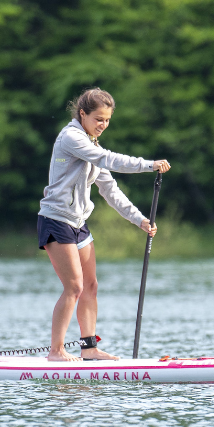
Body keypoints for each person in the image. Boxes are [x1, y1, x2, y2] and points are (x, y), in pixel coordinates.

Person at [37, 87, 171, 362]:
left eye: (107, 120)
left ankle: (89, 348)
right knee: (74, 287)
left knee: (91, 286)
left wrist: (140, 220)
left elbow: (110, 190)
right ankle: (56, 351)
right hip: (56, 219)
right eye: (98, 119)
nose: (103, 125)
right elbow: (107, 159)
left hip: (78, 222)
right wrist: (149, 165)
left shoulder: (92, 145)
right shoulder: (72, 138)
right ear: (82, 114)